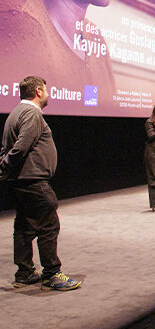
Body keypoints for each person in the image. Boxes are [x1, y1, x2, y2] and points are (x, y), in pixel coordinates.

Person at [0, 76, 81, 290]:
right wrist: (4, 167)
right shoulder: (31, 113)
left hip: (20, 182)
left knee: (25, 226)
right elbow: (19, 148)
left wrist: (4, 169)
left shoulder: (14, 114)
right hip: (33, 180)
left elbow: (6, 149)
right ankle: (52, 274)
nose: (48, 93)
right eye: (45, 89)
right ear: (37, 91)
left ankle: (24, 273)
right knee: (48, 224)